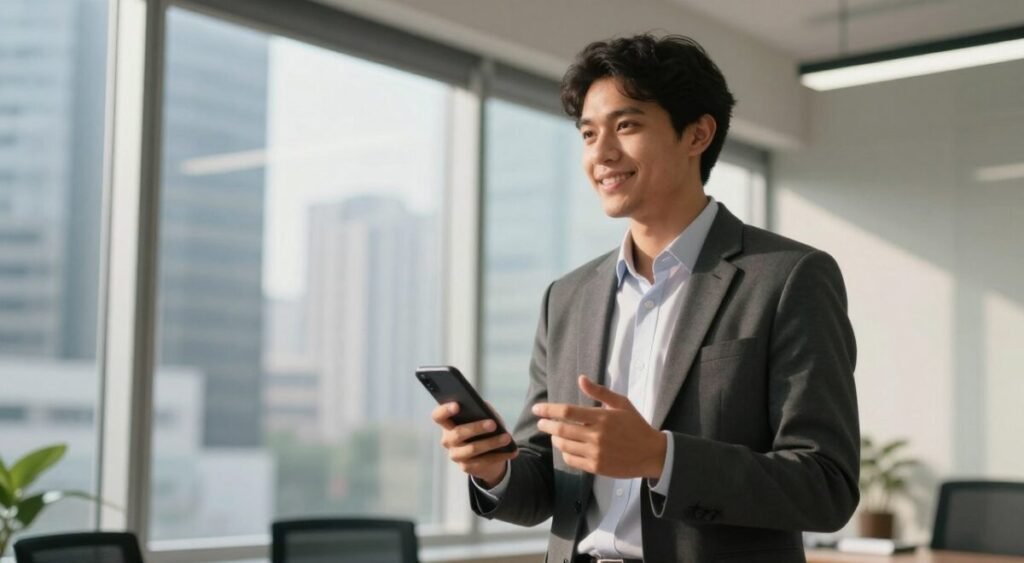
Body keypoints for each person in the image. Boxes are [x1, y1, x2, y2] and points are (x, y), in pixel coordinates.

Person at [431, 33, 859, 563]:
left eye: (626, 126)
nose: (601, 153)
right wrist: (494, 467)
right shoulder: (567, 298)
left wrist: (662, 457)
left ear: (697, 134)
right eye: (589, 133)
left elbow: (826, 486)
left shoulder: (788, 277)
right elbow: (545, 487)